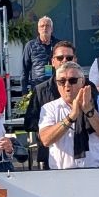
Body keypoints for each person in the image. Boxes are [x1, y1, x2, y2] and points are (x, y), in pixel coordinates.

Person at [22, 41, 79, 170]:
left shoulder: (87, 86)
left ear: (75, 60)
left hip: (84, 156)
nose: (64, 61)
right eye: (60, 58)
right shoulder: (41, 90)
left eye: (69, 58)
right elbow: (30, 122)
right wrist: (51, 126)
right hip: (51, 155)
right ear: (53, 61)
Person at [37, 62, 99, 170]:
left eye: (72, 80)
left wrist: (89, 111)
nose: (67, 85)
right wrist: (71, 117)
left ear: (82, 81)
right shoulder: (49, 108)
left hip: (98, 171)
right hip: (62, 174)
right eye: (61, 81)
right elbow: (46, 140)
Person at [20, 16, 56, 94]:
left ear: (52, 29)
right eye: (42, 26)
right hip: (38, 87)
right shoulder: (30, 45)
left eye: (47, 26)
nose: (45, 28)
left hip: (56, 85)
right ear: (38, 29)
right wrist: (24, 90)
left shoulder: (58, 45)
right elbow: (25, 70)